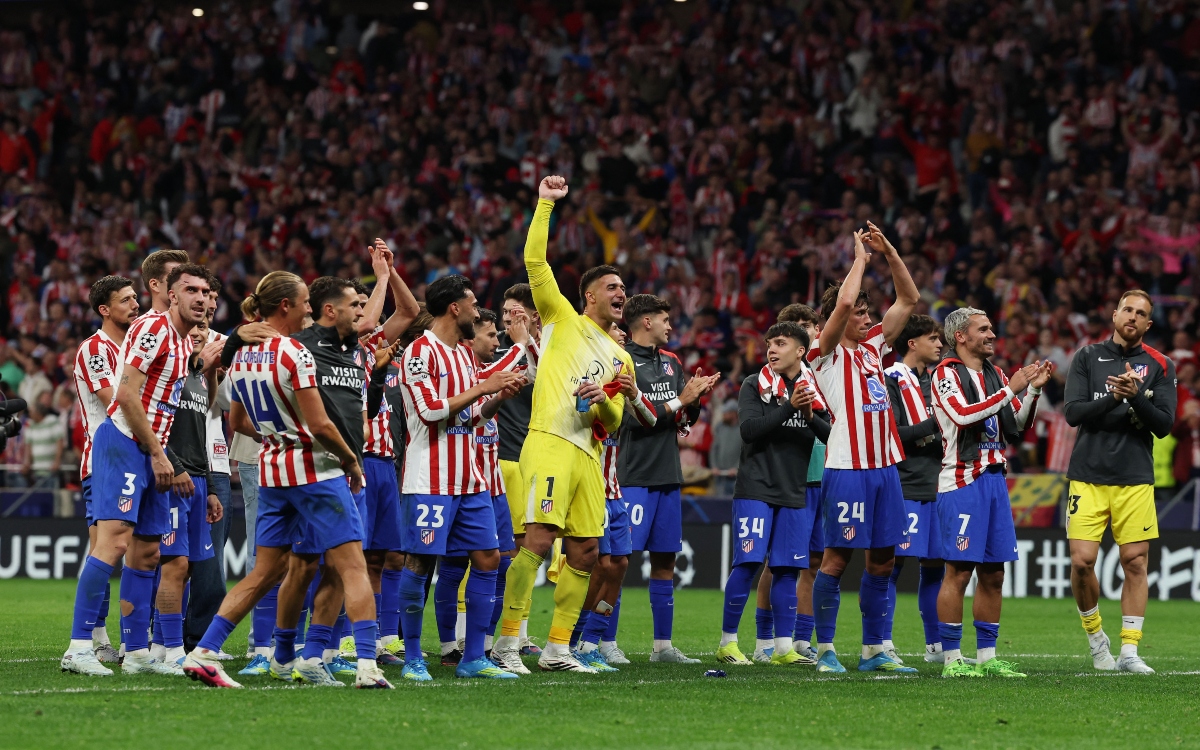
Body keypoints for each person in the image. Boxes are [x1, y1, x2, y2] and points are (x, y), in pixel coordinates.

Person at [182, 271, 390, 690]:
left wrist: (278, 438)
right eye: (304, 304)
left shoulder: (240, 357)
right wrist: (350, 460)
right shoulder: (295, 353)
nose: (309, 310)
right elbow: (321, 425)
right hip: (316, 470)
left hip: (272, 469)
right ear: (286, 307)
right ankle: (368, 665)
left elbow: (237, 421)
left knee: (264, 572)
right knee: (353, 567)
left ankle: (204, 652)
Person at [490, 175, 635, 675]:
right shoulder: (560, 317)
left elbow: (614, 422)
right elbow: (535, 261)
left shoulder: (622, 357)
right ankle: (507, 642)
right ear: (589, 295)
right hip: (549, 440)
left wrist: (602, 403)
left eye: (623, 288)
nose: (621, 294)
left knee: (587, 550)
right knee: (537, 537)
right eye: (612, 287)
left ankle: (557, 649)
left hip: (588, 456)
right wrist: (545, 204)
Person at [61, 263, 209, 676]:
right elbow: (125, 396)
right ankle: (79, 646)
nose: (201, 298)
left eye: (205, 291)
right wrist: (160, 455)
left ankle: (138, 652)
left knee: (148, 553)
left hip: (151, 450)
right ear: (171, 294)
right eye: (191, 290)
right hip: (126, 444)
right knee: (112, 544)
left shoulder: (182, 343)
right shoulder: (153, 329)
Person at [395, 274, 524, 682]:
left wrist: (495, 399)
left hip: (470, 480)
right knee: (420, 563)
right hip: (430, 479)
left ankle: (472, 659)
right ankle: (414, 657)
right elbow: (430, 411)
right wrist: (487, 385)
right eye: (471, 304)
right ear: (455, 308)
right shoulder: (420, 352)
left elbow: (467, 417)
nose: (476, 311)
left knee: (488, 559)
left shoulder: (463, 357)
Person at [806, 223, 919, 674]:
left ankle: (875, 649)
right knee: (837, 557)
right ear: (836, 318)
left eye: (871, 313)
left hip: (885, 467)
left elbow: (909, 300)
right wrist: (859, 260)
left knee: (885, 558)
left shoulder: (874, 348)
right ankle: (825, 649)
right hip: (847, 467)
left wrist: (890, 251)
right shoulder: (823, 352)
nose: (867, 317)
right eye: (860, 314)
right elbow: (846, 301)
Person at [931, 307, 1051, 678]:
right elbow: (964, 416)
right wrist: (1011, 388)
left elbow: (1015, 423)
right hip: (963, 481)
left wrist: (1031, 390)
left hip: (995, 481)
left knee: (994, 573)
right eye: (983, 329)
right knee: (959, 571)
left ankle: (987, 657)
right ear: (961, 336)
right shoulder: (946, 374)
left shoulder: (995, 374)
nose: (992, 334)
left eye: (991, 328)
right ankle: (952, 660)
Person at [1063, 290, 1177, 674]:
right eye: (1127, 309)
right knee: (1082, 562)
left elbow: (1163, 425)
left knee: (1135, 561)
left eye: (1140, 313)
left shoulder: (1161, 364)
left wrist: (1137, 397)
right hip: (1088, 475)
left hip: (1134, 477)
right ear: (1114, 315)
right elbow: (1074, 413)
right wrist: (1116, 398)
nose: (1132, 316)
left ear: (1147, 324)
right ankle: (1097, 641)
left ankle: (1129, 651)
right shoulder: (1087, 357)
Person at [715, 322, 830, 667]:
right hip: (756, 488)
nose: (771, 349)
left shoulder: (814, 390)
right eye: (769, 343)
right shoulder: (754, 384)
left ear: (800, 350)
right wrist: (790, 408)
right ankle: (728, 643)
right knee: (749, 562)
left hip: (794, 490)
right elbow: (749, 431)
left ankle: (782, 648)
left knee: (786, 569)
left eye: (780, 343)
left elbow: (831, 435)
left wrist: (808, 414)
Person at [618, 293, 718, 664]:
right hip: (632, 474)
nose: (671, 326)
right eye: (665, 319)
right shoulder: (621, 360)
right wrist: (682, 399)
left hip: (667, 474)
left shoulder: (673, 363)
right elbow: (633, 419)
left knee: (665, 560)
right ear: (646, 322)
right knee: (617, 560)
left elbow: (679, 423)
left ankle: (662, 647)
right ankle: (604, 643)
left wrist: (694, 402)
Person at [573, 320, 657, 672]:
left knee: (619, 564)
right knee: (596, 565)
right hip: (588, 487)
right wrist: (598, 397)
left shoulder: (624, 388)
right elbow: (580, 419)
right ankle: (570, 640)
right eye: (617, 338)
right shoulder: (584, 376)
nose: (623, 342)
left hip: (614, 489)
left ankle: (590, 642)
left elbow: (651, 419)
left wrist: (633, 391)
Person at [66, 275, 139, 669]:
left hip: (136, 456)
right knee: (106, 549)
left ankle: (133, 640)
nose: (135, 304)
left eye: (135, 297)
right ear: (104, 310)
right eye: (125, 300)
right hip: (105, 459)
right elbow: (117, 402)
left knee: (138, 550)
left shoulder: (133, 348)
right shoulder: (95, 349)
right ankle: (94, 641)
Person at [456, 307, 533, 662]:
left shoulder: (487, 368)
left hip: (494, 481)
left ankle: (484, 644)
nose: (497, 340)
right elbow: (484, 379)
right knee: (443, 564)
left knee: (500, 562)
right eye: (491, 335)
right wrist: (520, 344)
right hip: (463, 480)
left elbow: (492, 395)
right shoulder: (461, 366)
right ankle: (448, 643)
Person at [150, 310, 224, 667]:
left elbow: (200, 436)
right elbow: (156, 426)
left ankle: (161, 643)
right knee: (174, 564)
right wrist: (175, 467)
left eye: (204, 329)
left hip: (197, 477)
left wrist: (209, 487)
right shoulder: (172, 371)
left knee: (190, 566)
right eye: (192, 327)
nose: (198, 332)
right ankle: (171, 650)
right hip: (173, 478)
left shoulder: (196, 377)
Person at [759, 303, 827, 662]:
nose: (807, 330)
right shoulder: (772, 377)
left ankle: (801, 639)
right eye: (797, 326)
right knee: (777, 561)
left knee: (813, 561)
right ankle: (765, 639)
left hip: (822, 474)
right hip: (790, 479)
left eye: (809, 325)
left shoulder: (822, 372)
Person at [883, 315, 947, 663]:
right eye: (933, 338)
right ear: (912, 343)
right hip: (904, 483)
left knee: (935, 566)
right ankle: (883, 643)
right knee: (891, 566)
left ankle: (935, 648)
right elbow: (892, 432)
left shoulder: (940, 381)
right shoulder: (891, 379)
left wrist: (929, 433)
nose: (939, 345)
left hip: (939, 483)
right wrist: (931, 428)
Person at [494, 283, 545, 656]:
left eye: (517, 313)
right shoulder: (495, 352)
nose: (508, 320)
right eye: (506, 313)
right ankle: (468, 637)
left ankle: (520, 633)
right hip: (500, 460)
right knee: (494, 553)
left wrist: (529, 341)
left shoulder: (547, 353)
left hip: (536, 461)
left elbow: (553, 382)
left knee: (530, 551)